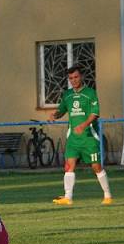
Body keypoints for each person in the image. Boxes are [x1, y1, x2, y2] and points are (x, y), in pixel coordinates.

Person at [48, 66, 113, 205]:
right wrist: (55, 115)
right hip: (73, 138)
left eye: (76, 77)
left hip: (89, 137)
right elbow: (62, 110)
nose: (73, 80)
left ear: (81, 77)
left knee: (96, 167)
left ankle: (107, 195)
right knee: (69, 165)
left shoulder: (90, 93)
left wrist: (83, 125)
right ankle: (68, 197)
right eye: (71, 78)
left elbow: (95, 113)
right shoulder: (67, 95)